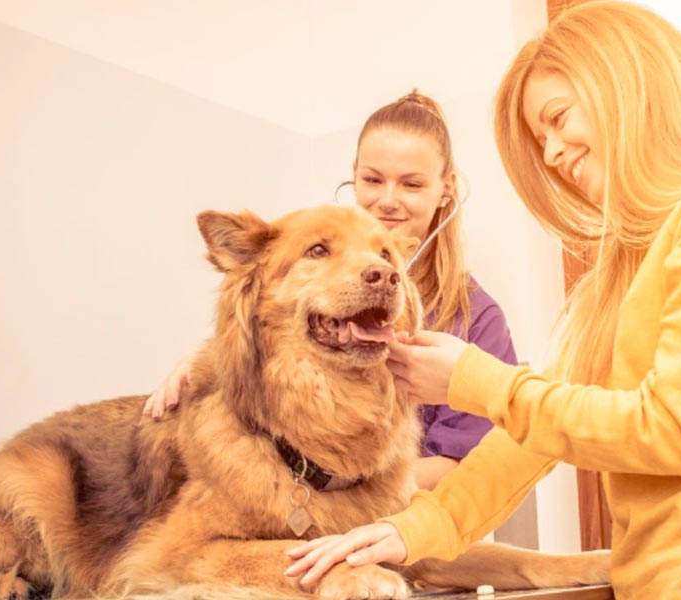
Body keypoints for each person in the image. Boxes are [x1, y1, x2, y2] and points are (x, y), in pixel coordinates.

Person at [283, 2, 681, 599]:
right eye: (541, 138)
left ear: (625, 83)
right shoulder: (632, 261)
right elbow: (529, 440)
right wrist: (412, 529)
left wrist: (474, 381)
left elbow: (671, 430)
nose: (552, 153)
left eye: (557, 118)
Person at [142, 90, 518, 491]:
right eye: (373, 179)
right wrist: (210, 363)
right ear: (354, 175)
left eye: (411, 184)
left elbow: (471, 466)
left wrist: (348, 492)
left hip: (417, 509)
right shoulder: (304, 257)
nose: (388, 201)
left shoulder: (479, 319)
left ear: (446, 187)